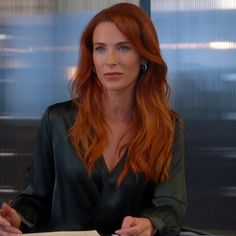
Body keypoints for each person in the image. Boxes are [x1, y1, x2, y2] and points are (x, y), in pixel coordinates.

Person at [0, 3, 186, 236]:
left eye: (123, 48)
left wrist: (150, 224)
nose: (110, 60)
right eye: (100, 48)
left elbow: (170, 205)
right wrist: (17, 218)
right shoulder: (57, 120)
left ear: (143, 56)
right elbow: (36, 198)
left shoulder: (167, 126)